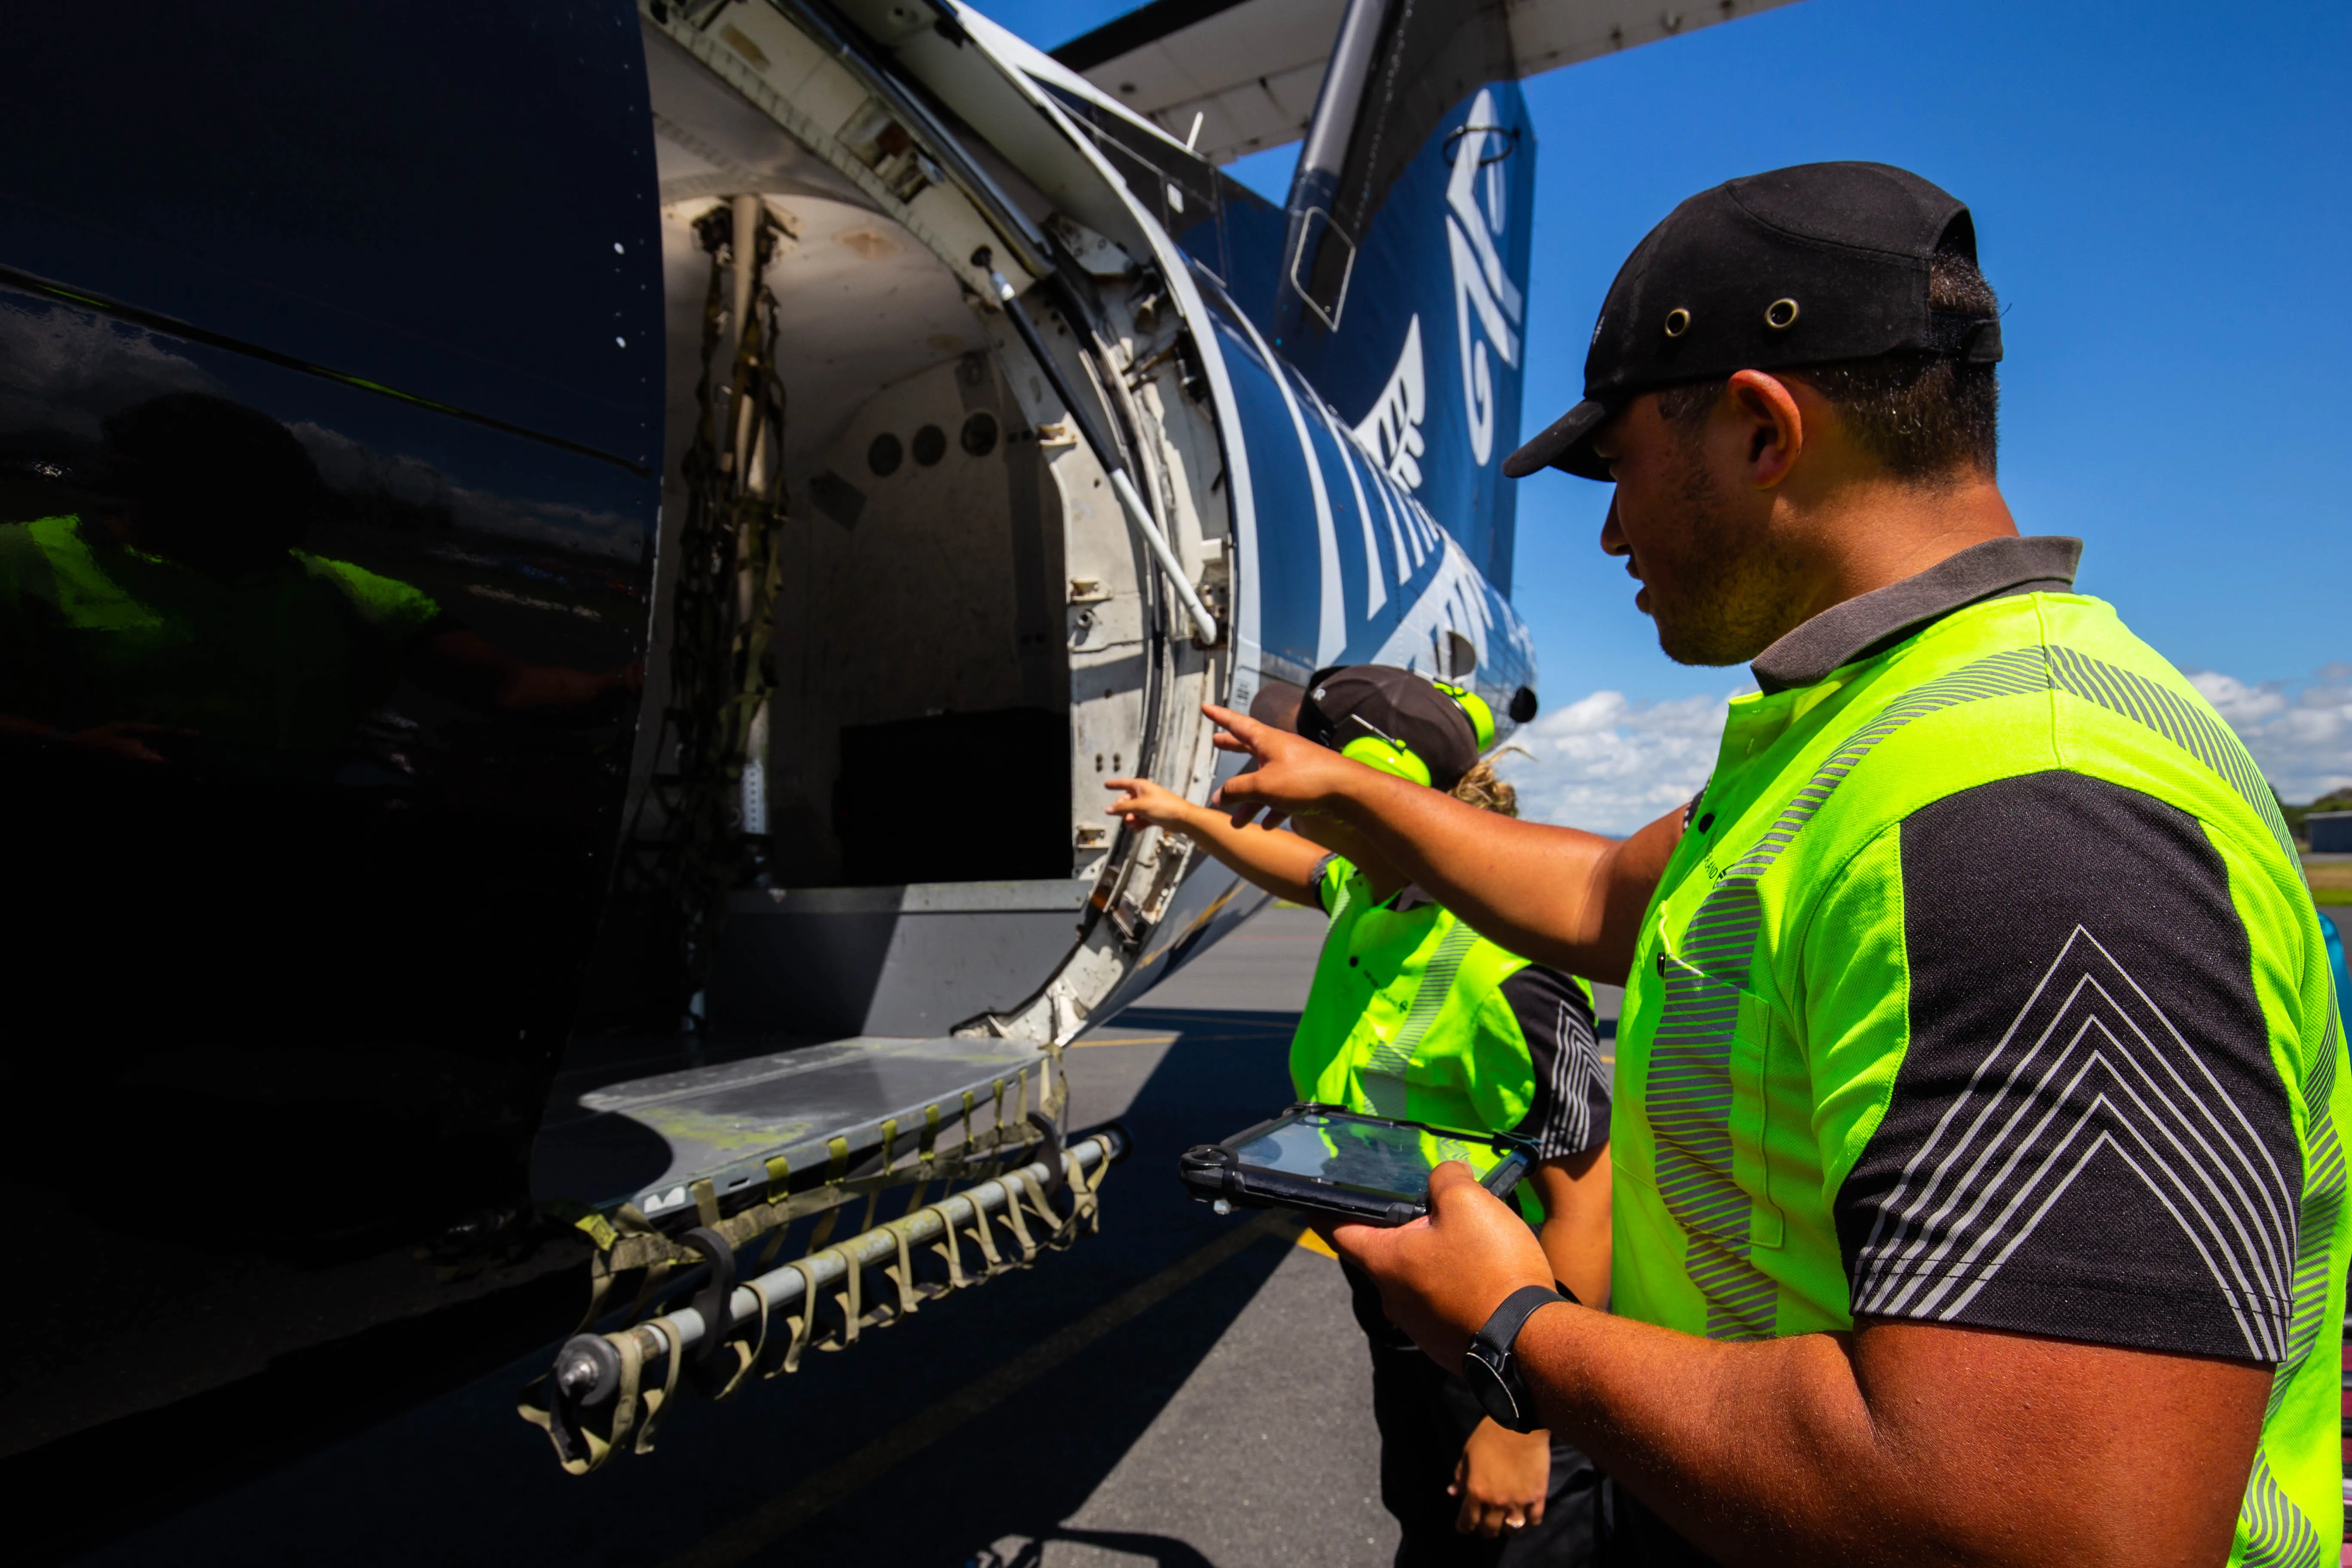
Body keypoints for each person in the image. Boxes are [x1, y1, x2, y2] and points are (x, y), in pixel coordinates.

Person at [1201, 162, 2345, 1566]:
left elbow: (2058, 1521)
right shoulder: (1884, 734)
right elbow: (1603, 896)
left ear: (1760, 427)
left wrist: (1517, 1332)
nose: (1612, 530)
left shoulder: (2030, 817)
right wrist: (1358, 802)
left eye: (1615, 467)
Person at [1107, 665, 1612, 1567]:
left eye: (1305, 746)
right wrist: (1183, 817)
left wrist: (1524, 1420)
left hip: (1507, 1341)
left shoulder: (1502, 965)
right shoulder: (1375, 892)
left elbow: (1586, 1205)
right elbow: (1302, 870)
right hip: (1413, 1315)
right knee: (1427, 1529)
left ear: (1368, 780)